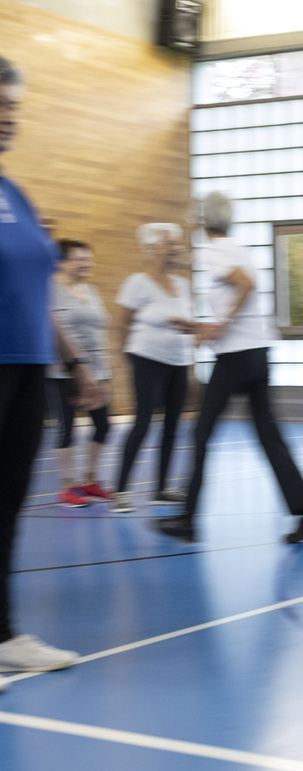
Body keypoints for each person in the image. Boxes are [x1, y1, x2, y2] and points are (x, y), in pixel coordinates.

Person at [0, 54, 102, 677]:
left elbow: (40, 293)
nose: (9, 116)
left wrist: (76, 361)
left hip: (29, 366)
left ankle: (4, 636)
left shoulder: (16, 193)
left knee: (8, 504)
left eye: (14, 105)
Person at [157, 193, 303, 544]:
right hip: (256, 353)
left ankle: (188, 520)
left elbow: (246, 285)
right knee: (268, 434)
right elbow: (243, 296)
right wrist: (199, 326)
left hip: (236, 357)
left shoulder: (214, 250)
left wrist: (220, 324)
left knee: (202, 432)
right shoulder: (237, 248)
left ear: (204, 221)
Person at [111, 222, 195, 512]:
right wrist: (127, 359)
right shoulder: (137, 282)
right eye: (169, 243)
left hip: (178, 363)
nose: (176, 248)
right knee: (143, 424)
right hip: (147, 360)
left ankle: (162, 489)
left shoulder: (182, 284)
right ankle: (121, 491)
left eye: (176, 243)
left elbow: (187, 324)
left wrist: (190, 336)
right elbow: (120, 324)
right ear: (152, 248)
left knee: (172, 427)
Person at [47, 240, 113, 506]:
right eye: (79, 259)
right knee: (67, 429)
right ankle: (67, 488)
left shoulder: (92, 290)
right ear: (61, 262)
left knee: (103, 426)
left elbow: (100, 333)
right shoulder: (51, 290)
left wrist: (105, 371)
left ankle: (90, 481)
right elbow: (55, 333)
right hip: (64, 373)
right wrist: (77, 366)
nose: (86, 264)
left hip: (96, 372)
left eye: (88, 259)